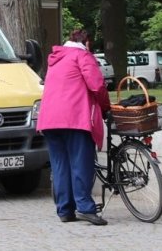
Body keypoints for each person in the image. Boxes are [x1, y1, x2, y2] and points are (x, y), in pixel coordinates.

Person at [35, 29, 111, 226]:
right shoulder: (82, 56)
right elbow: (97, 86)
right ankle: (85, 208)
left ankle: (65, 210)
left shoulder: (56, 59)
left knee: (60, 165)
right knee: (80, 163)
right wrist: (106, 108)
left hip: (50, 120)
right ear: (86, 43)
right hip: (74, 118)